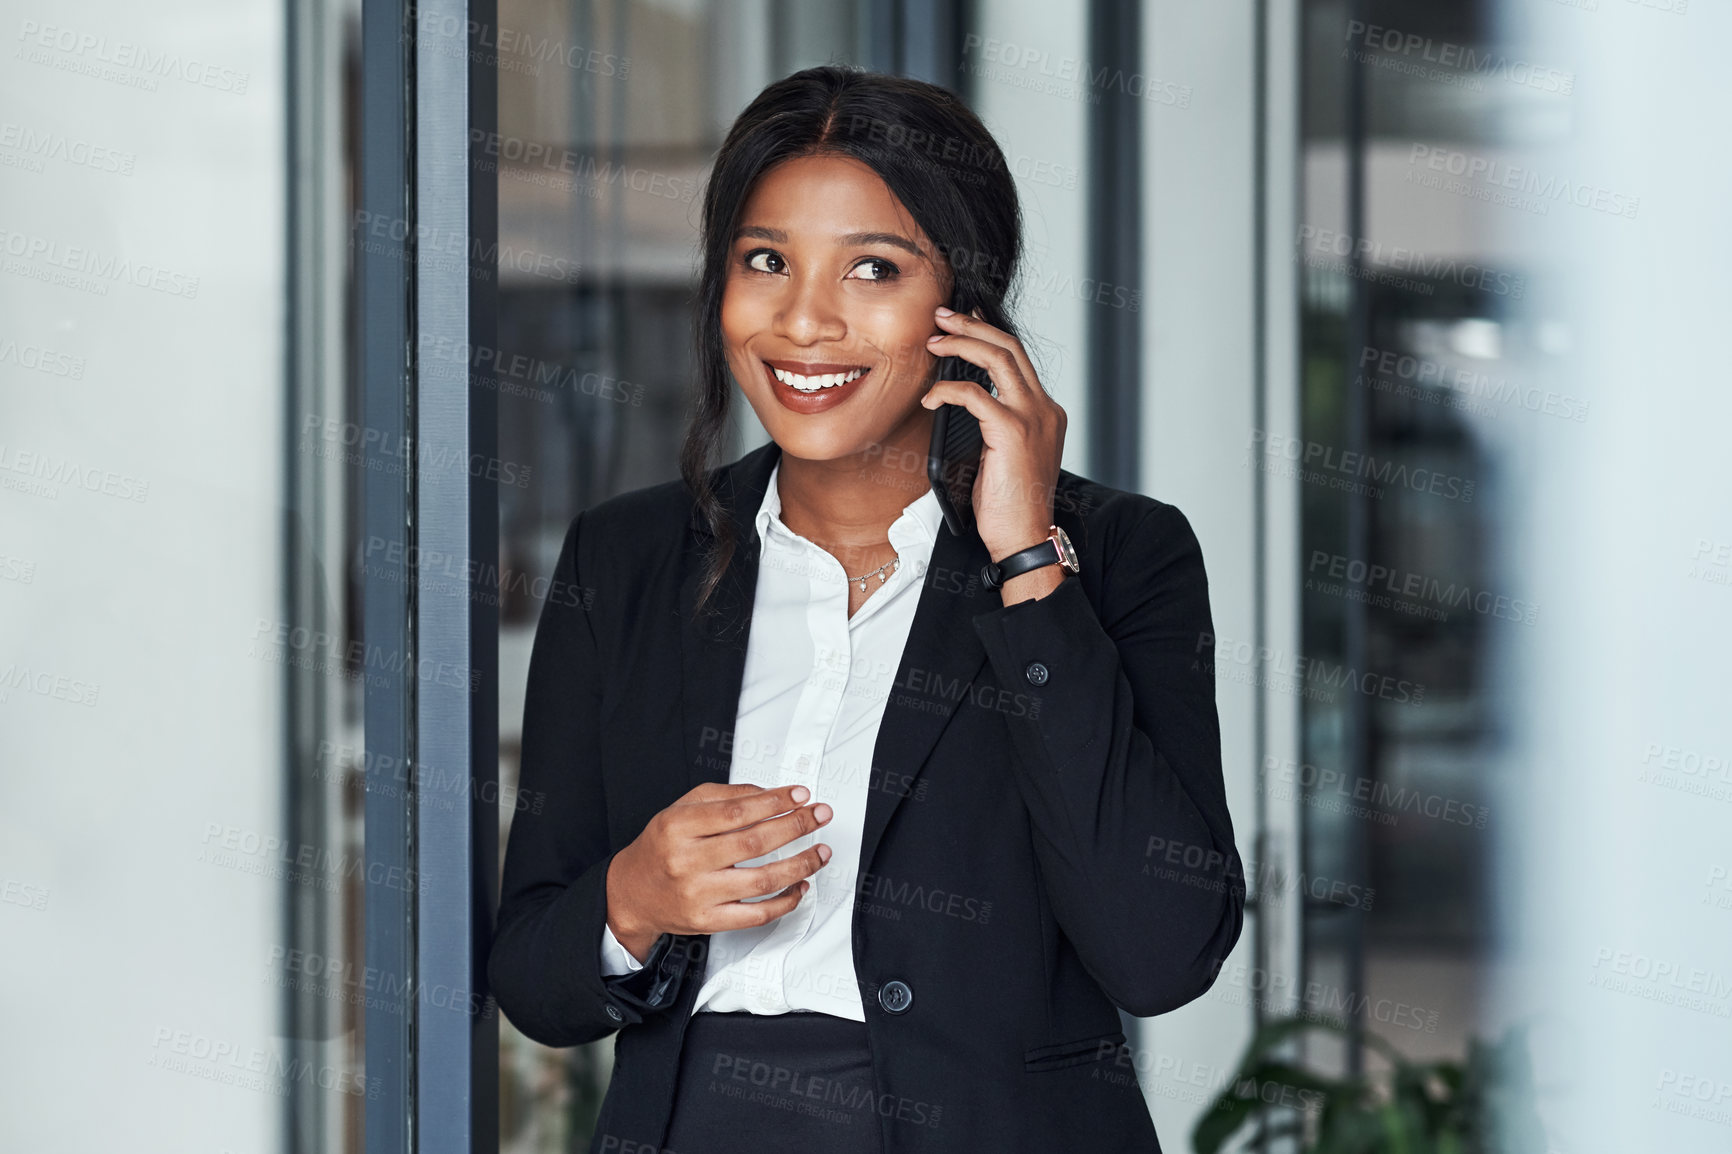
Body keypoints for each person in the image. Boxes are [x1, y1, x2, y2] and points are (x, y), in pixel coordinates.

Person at [488, 63, 1244, 1154]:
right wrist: (635, 894)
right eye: (764, 261)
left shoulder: (1120, 555)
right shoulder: (626, 557)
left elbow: (1160, 952)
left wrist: (1028, 562)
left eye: (873, 268)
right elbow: (532, 979)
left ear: (965, 304)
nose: (804, 321)